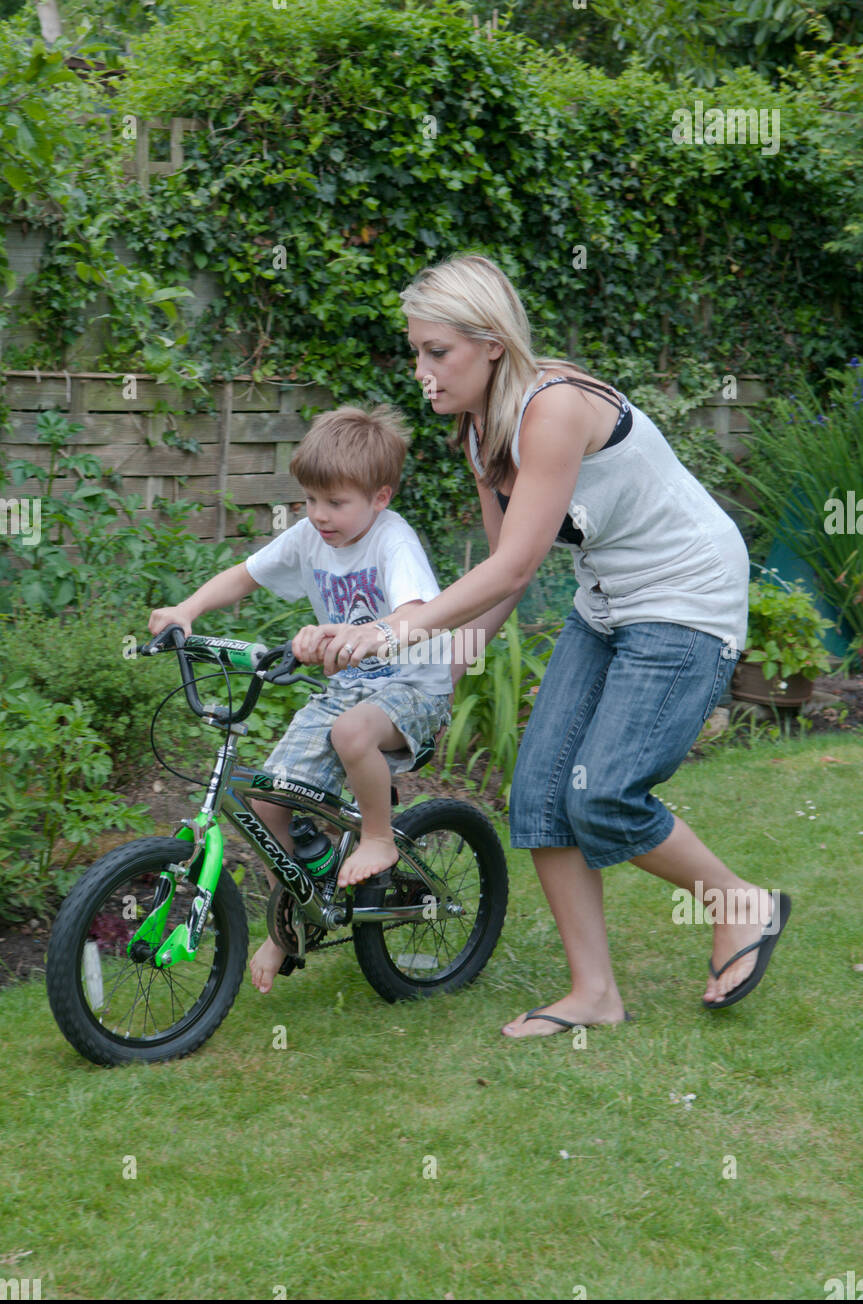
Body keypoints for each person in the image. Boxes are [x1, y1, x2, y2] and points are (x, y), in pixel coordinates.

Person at [303, 253, 792, 1038]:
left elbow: (519, 560)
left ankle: (743, 906)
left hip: (686, 600)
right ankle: (592, 993)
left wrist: (391, 626)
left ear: (492, 343)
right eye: (415, 352)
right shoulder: (479, 434)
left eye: (438, 353)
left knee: (601, 797)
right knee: (536, 795)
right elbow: (502, 579)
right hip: (607, 606)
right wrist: (445, 659)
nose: (420, 371)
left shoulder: (553, 408)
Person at [148, 403, 452, 994]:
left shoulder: (393, 541)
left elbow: (418, 614)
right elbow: (245, 574)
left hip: (414, 686)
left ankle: (379, 838)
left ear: (380, 497)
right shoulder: (310, 537)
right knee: (267, 803)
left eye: (335, 503)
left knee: (352, 734)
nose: (319, 516)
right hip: (347, 690)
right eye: (310, 500)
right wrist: (187, 611)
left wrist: (360, 636)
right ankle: (295, 917)